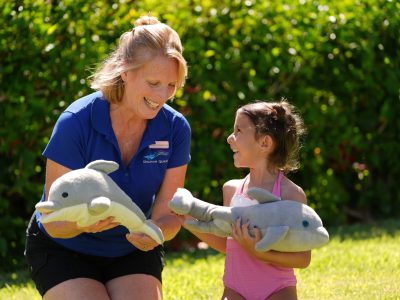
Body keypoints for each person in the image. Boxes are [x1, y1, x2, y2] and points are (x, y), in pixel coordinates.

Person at [25, 15, 190, 299]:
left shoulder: (175, 128)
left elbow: (168, 215)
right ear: (125, 71)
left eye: (171, 86)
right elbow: (52, 220)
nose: (162, 96)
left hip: (130, 250)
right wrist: (83, 223)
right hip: (64, 247)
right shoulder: (76, 121)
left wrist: (154, 231)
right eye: (153, 83)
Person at [179, 100, 310, 300]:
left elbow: (303, 258)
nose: (229, 138)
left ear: (264, 142)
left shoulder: (291, 195)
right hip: (235, 291)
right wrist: (187, 220)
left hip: (278, 290)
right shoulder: (231, 189)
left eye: (238, 130)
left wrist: (260, 253)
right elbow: (227, 243)